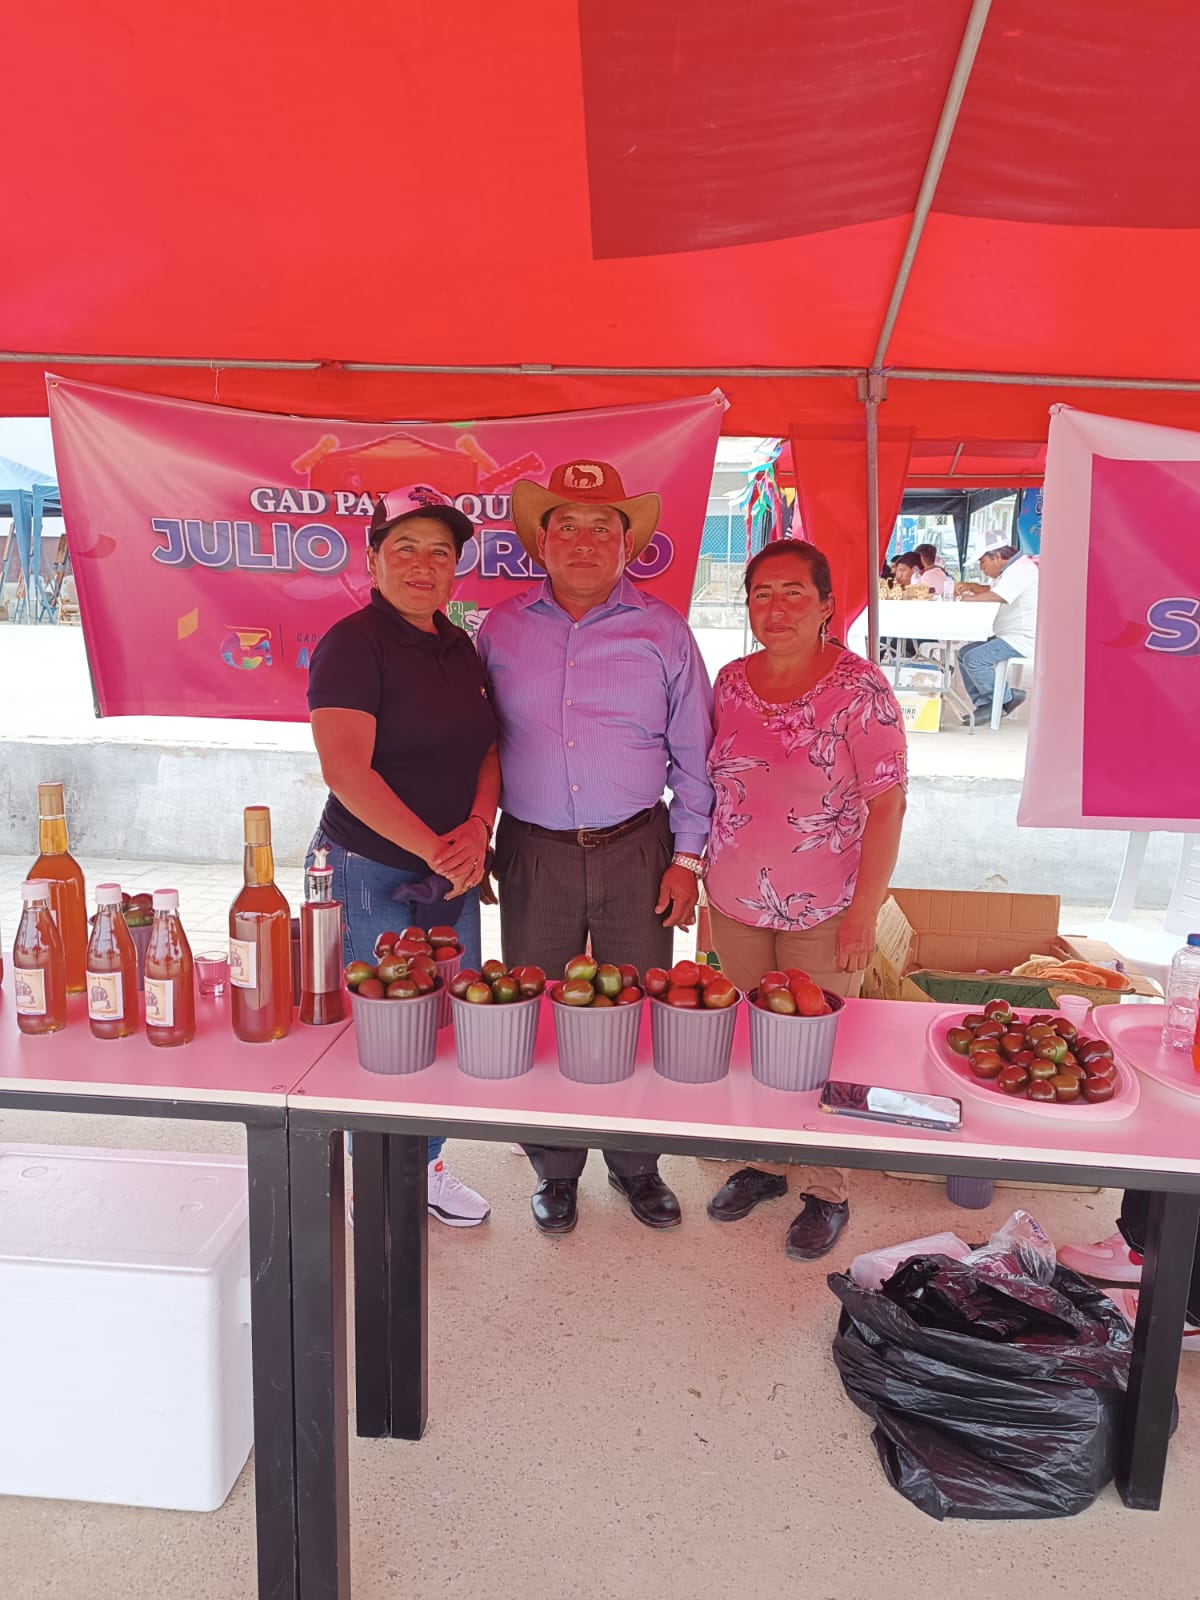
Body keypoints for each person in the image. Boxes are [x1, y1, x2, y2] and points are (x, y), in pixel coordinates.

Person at [477, 460, 714, 1236]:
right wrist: (474, 834)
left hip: (637, 850)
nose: (583, 542)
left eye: (601, 528)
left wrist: (687, 859)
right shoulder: (500, 629)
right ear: (541, 543)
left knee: (635, 1007)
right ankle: (555, 1167)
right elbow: (473, 742)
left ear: (627, 545)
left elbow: (696, 756)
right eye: (567, 527)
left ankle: (636, 1164)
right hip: (533, 851)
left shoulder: (664, 631)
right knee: (541, 1009)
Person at [702, 540, 908, 1261]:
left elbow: (888, 806)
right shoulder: (730, 682)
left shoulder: (860, 689)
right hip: (736, 901)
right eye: (762, 593)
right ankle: (764, 1161)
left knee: (822, 1049)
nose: (777, 607)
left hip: (826, 909)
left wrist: (864, 914)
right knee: (753, 1041)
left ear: (826, 606)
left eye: (794, 592)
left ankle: (826, 1188)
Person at [306, 484, 500, 1227]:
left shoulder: (459, 643)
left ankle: (425, 1166)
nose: (424, 565)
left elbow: (488, 748)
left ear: (456, 568)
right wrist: (438, 851)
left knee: (443, 1020)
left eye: (440, 552)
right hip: (370, 868)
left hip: (452, 866)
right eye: (406, 548)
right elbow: (346, 771)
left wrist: (477, 827)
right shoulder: (353, 644)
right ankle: (376, 1180)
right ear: (373, 559)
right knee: (385, 1033)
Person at [953, 543, 1039, 721]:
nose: (981, 568)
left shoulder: (1020, 570)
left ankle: (1005, 699)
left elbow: (997, 596)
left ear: (997, 557)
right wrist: (973, 587)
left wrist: (967, 600)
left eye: (982, 561)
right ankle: (986, 704)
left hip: (1021, 638)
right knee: (964, 653)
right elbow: (994, 590)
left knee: (974, 659)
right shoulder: (1010, 570)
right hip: (1008, 635)